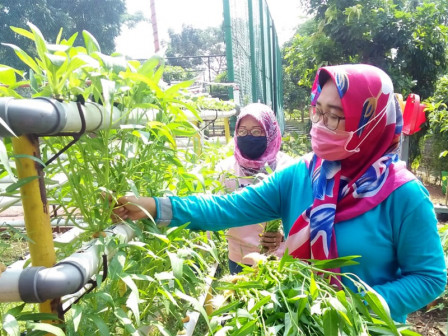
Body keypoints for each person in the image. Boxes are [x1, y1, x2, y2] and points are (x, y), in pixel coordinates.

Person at [112, 64, 447, 323]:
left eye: (337, 117)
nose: (320, 125)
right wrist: (155, 207)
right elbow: (226, 208)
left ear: (370, 123)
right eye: (319, 111)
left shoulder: (403, 195)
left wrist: (355, 306)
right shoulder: (301, 176)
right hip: (301, 323)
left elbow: (430, 278)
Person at [216, 103, 293, 274]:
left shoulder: (287, 168)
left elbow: (302, 212)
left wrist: (283, 234)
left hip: (279, 258)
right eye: (242, 131)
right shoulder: (226, 169)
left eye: (257, 132)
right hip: (240, 258)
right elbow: (217, 211)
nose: (248, 137)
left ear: (270, 132)